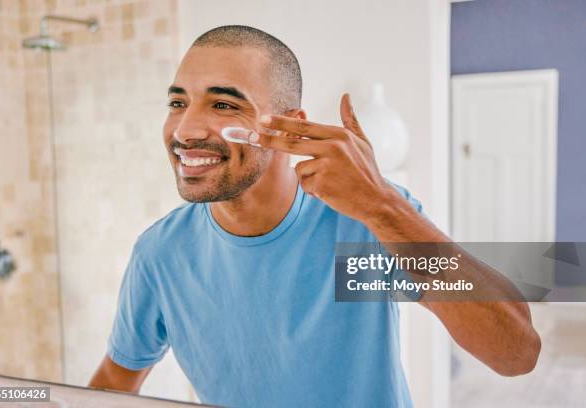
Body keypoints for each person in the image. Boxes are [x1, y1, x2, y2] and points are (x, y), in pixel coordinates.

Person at [89, 25, 540, 408]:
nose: (186, 129)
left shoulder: (361, 224)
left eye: (224, 104)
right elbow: (114, 382)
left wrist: (382, 204)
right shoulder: (162, 254)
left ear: (288, 127)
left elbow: (516, 353)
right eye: (177, 103)